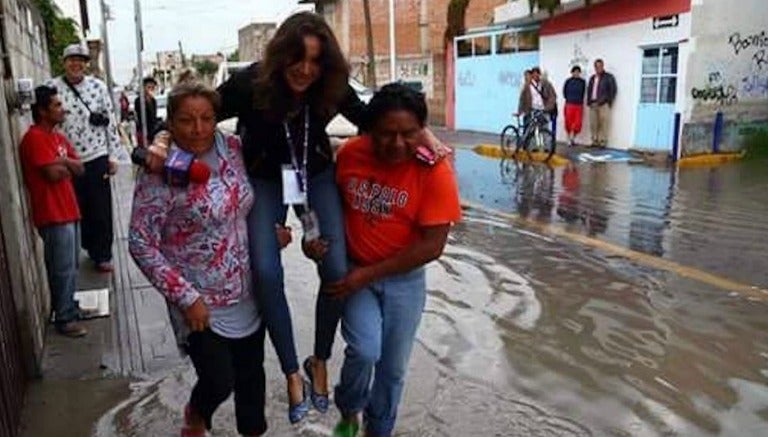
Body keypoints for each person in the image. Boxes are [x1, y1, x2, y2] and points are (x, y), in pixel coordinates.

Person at [144, 12, 447, 423]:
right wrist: (162, 141)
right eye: (297, 58)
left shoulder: (329, 85)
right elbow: (199, 112)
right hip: (266, 178)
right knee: (266, 272)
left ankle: (319, 360)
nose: (305, 69)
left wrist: (425, 136)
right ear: (280, 55)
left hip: (315, 173)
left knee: (337, 266)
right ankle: (290, 370)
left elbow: (372, 117)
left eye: (316, 60)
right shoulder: (251, 83)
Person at [128, 82, 292, 436]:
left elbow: (247, 202)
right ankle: (196, 413)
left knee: (252, 378)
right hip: (199, 300)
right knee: (219, 380)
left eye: (206, 118)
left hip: (247, 288)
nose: (198, 128)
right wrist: (186, 298)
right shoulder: (160, 172)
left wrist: (268, 236)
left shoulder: (232, 148)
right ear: (170, 122)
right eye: (186, 120)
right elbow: (140, 242)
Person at [309, 83, 461, 437]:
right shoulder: (350, 154)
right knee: (364, 350)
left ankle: (379, 431)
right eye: (386, 134)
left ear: (421, 131)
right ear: (369, 130)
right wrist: (311, 240)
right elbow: (321, 207)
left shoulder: (435, 171)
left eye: (408, 134)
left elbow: (432, 246)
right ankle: (349, 411)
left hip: (403, 281)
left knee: (393, 370)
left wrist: (368, 275)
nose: (396, 144)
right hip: (355, 273)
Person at [19, 85, 87, 337]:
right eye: (57, 105)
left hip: (69, 210)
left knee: (71, 266)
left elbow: (79, 168)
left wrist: (63, 162)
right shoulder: (35, 138)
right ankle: (65, 318)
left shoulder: (58, 138)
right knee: (61, 268)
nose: (63, 109)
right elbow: (51, 173)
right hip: (52, 213)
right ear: (42, 110)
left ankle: (70, 307)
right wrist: (64, 164)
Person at [48, 43, 120, 272]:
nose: (76, 64)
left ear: (86, 64)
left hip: (97, 154)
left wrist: (113, 155)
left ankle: (103, 254)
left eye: (80, 60)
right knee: (78, 207)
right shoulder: (52, 87)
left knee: (100, 207)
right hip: (67, 158)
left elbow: (110, 121)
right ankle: (88, 246)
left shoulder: (98, 87)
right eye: (71, 60)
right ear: (64, 62)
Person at [586, 59, 617, 148]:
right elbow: (589, 90)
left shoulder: (609, 77)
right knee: (593, 124)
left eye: (600, 66)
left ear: (603, 66)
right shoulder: (592, 78)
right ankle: (594, 141)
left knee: (604, 123)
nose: (598, 68)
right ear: (594, 67)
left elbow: (613, 90)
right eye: (596, 66)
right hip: (593, 103)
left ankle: (603, 142)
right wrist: (589, 102)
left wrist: (609, 101)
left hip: (603, 103)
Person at [563, 66, 586, 146]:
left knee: (578, 123)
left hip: (579, 104)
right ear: (572, 72)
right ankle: (568, 138)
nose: (576, 73)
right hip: (569, 103)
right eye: (575, 72)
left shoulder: (582, 82)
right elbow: (564, 92)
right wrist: (569, 99)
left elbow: (583, 92)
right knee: (568, 122)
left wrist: (579, 100)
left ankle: (573, 138)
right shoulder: (568, 81)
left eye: (578, 72)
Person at [134, 76, 159, 147]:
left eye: (152, 87)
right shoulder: (139, 100)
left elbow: (154, 116)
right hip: (143, 131)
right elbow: (140, 115)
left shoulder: (153, 101)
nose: (151, 89)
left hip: (152, 131)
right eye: (149, 87)